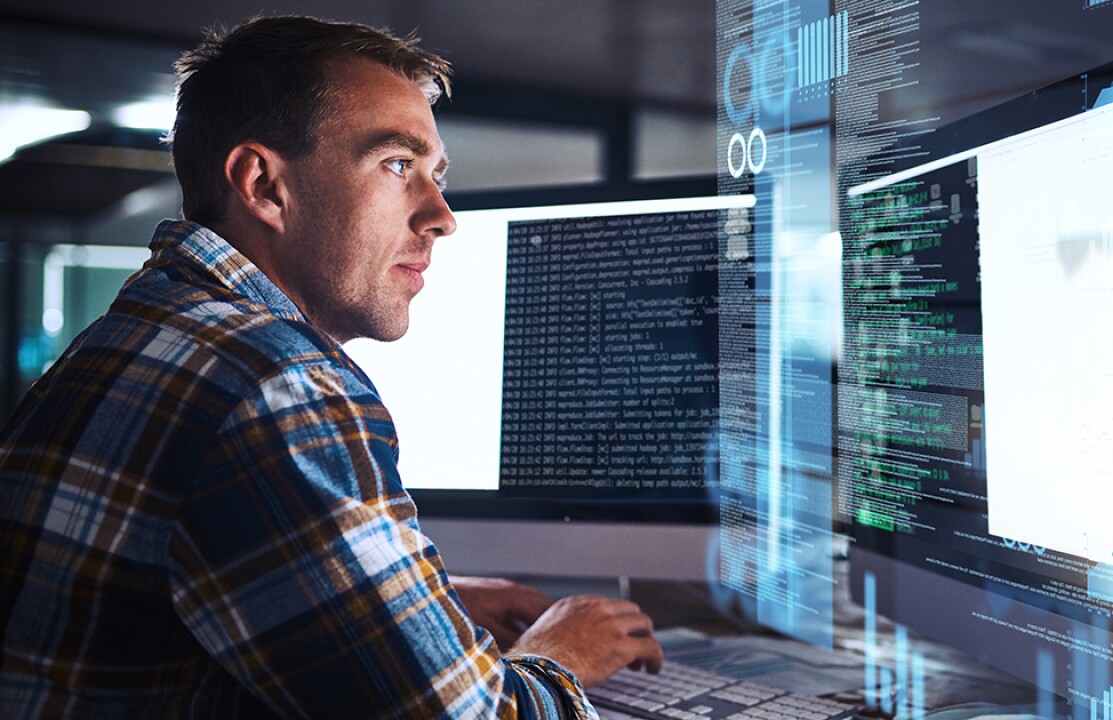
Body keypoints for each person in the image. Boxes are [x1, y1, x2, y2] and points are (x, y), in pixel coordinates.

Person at [0, 15, 662, 719]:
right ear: (263, 186)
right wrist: (564, 650)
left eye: (436, 176)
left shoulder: (142, 331)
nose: (442, 216)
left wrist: (415, 608)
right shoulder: (276, 383)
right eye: (398, 165)